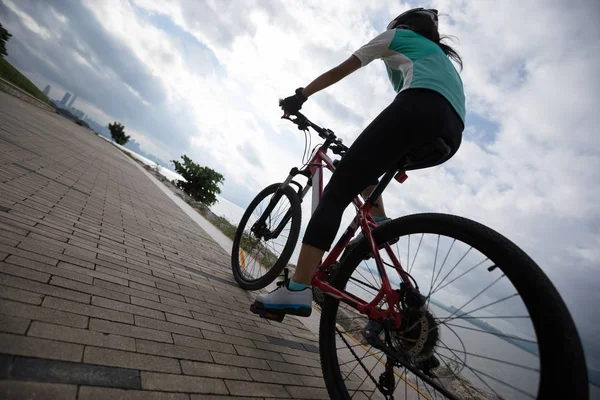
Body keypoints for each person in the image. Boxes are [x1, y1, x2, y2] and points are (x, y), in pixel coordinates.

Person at [252, 8, 465, 318]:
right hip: (451, 132)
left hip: (419, 108)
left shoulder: (397, 37)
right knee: (362, 170)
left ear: (401, 26)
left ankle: (296, 290)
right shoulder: (439, 59)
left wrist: (301, 95)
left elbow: (342, 69)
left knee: (336, 193)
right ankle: (379, 228)